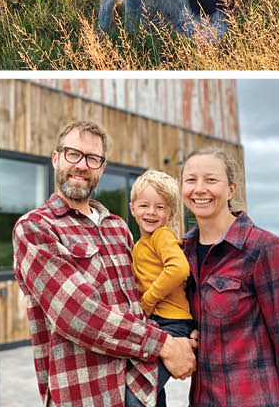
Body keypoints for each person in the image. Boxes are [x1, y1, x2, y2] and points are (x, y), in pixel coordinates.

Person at [12, 120, 196, 407]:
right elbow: (76, 314)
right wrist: (165, 344)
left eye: (93, 158)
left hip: (141, 382)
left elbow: (142, 293)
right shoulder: (36, 228)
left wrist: (183, 328)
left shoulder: (118, 227)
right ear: (56, 158)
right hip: (89, 394)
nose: (82, 165)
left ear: (102, 168)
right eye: (73, 154)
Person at [180, 147, 279, 406]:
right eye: (190, 180)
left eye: (211, 180)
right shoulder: (181, 253)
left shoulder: (264, 248)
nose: (199, 189)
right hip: (202, 399)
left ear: (231, 190)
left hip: (253, 398)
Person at [128, 170, 194, 407]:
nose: (151, 213)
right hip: (155, 323)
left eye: (160, 207)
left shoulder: (162, 236)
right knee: (152, 393)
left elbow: (178, 269)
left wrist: (147, 301)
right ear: (133, 208)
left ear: (171, 213)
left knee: (136, 395)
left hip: (173, 323)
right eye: (144, 205)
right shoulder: (138, 246)